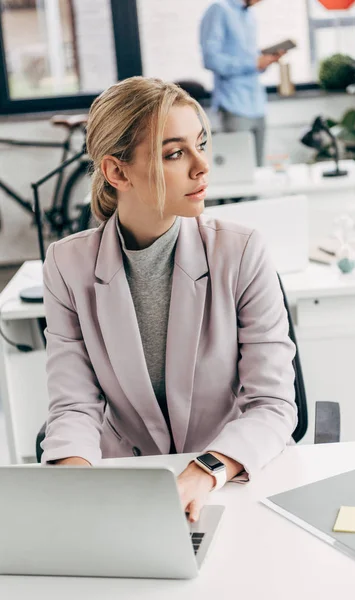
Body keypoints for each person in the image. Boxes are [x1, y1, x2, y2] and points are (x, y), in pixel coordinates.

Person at [40, 76, 297, 522]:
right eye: (175, 153)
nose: (202, 167)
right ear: (117, 172)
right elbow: (73, 406)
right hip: (131, 489)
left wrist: (204, 471)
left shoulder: (240, 251)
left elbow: (272, 404)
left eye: (201, 144)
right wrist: (73, 488)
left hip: (230, 477)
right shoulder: (67, 265)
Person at [200, 0, 284, 166]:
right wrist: (253, 63)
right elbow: (211, 59)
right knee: (239, 168)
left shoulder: (250, 15)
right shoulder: (219, 10)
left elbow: (247, 57)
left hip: (257, 104)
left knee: (259, 170)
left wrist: (264, 60)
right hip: (234, 104)